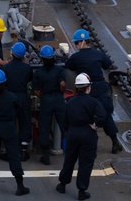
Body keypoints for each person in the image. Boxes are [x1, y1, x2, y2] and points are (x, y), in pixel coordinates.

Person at [65, 28, 123, 153]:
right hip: (101, 88)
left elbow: (68, 66)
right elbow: (107, 64)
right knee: (106, 115)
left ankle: (89, 146)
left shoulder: (76, 57)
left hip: (86, 90)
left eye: (76, 43)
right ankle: (115, 142)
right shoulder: (98, 54)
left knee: (86, 116)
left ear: (82, 42)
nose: (76, 45)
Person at [56, 73, 106, 201]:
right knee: (86, 162)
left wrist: (68, 132)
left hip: (73, 133)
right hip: (88, 134)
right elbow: (102, 116)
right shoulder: (93, 102)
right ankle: (82, 190)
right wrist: (95, 125)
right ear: (88, 87)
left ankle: (62, 184)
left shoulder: (70, 102)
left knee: (69, 159)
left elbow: (64, 121)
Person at [0, 68, 30, 196]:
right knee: (14, 156)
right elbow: (19, 113)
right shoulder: (12, 98)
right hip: (9, 127)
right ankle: (20, 185)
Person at [31, 44, 66, 165]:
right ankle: (70, 148)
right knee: (64, 124)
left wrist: (44, 96)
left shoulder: (38, 73)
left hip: (46, 99)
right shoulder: (59, 70)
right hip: (58, 98)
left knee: (44, 127)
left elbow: (36, 90)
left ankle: (45, 155)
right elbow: (62, 84)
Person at [2, 42, 33, 158]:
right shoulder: (27, 68)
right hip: (23, 97)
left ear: (12, 53)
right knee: (25, 121)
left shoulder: (6, 68)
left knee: (10, 122)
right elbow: (29, 79)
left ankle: (9, 149)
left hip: (9, 97)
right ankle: (24, 148)